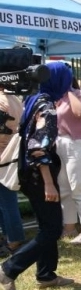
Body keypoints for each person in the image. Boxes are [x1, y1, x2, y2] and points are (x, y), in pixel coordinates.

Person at [0, 62, 75, 290]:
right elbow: (38, 147)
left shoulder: (33, 99)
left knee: (47, 224)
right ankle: (9, 270)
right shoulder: (48, 107)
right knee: (53, 228)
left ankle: (46, 274)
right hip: (39, 175)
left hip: (28, 174)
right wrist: (49, 183)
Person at [56, 80, 81, 244]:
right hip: (60, 144)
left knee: (79, 188)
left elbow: (80, 112)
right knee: (65, 189)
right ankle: (70, 228)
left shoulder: (79, 94)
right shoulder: (56, 97)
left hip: (76, 144)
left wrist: (69, 91)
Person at [0, 91, 25, 258]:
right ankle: (11, 236)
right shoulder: (15, 98)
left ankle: (15, 239)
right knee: (6, 200)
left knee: (6, 201)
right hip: (11, 152)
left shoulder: (2, 100)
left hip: (3, 150)